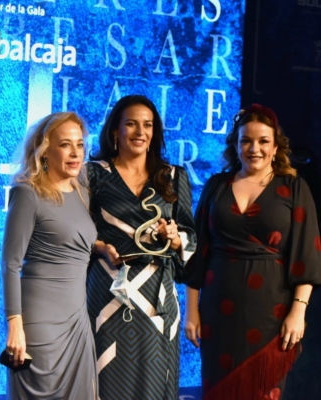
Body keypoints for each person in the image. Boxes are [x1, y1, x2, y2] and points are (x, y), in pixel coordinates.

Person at [184, 104, 321, 400]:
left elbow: (307, 256)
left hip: (271, 313)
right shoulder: (216, 186)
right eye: (246, 140)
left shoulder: (294, 188)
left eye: (263, 141)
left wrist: (298, 312)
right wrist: (191, 310)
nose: (254, 148)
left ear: (275, 147)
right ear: (236, 144)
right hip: (217, 313)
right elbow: (197, 251)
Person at [86, 95, 197, 399]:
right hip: (108, 290)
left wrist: (175, 238)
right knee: (106, 378)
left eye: (147, 125)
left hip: (157, 294)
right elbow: (75, 232)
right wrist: (98, 247)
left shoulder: (174, 176)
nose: (139, 131)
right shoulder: (92, 173)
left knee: (154, 380)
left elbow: (191, 236)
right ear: (114, 131)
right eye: (131, 123)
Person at [2, 112, 97, 399]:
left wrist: (102, 247)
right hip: (39, 326)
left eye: (79, 145)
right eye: (65, 145)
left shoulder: (81, 191)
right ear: (45, 150)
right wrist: (14, 326)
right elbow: (9, 264)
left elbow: (73, 240)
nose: (75, 153)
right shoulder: (27, 192)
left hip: (78, 322)